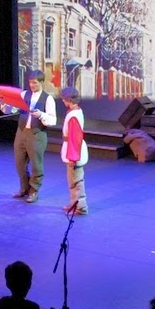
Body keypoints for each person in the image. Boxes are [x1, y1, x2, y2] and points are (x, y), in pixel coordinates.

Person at [0, 70, 56, 203]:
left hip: (37, 134)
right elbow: (11, 110)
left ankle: (34, 191)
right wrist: (3, 103)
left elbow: (53, 120)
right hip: (22, 132)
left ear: (41, 82)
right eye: (30, 83)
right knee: (19, 163)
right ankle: (24, 188)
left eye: (35, 83)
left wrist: (41, 115)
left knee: (36, 165)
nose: (32, 85)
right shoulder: (24, 94)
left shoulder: (48, 99)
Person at [60, 87, 88, 215]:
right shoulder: (74, 112)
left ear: (68, 99)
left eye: (64, 99)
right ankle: (74, 203)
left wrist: (72, 157)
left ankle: (81, 207)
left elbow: (74, 138)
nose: (62, 101)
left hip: (74, 153)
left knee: (76, 181)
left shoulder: (73, 116)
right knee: (72, 180)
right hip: (72, 150)